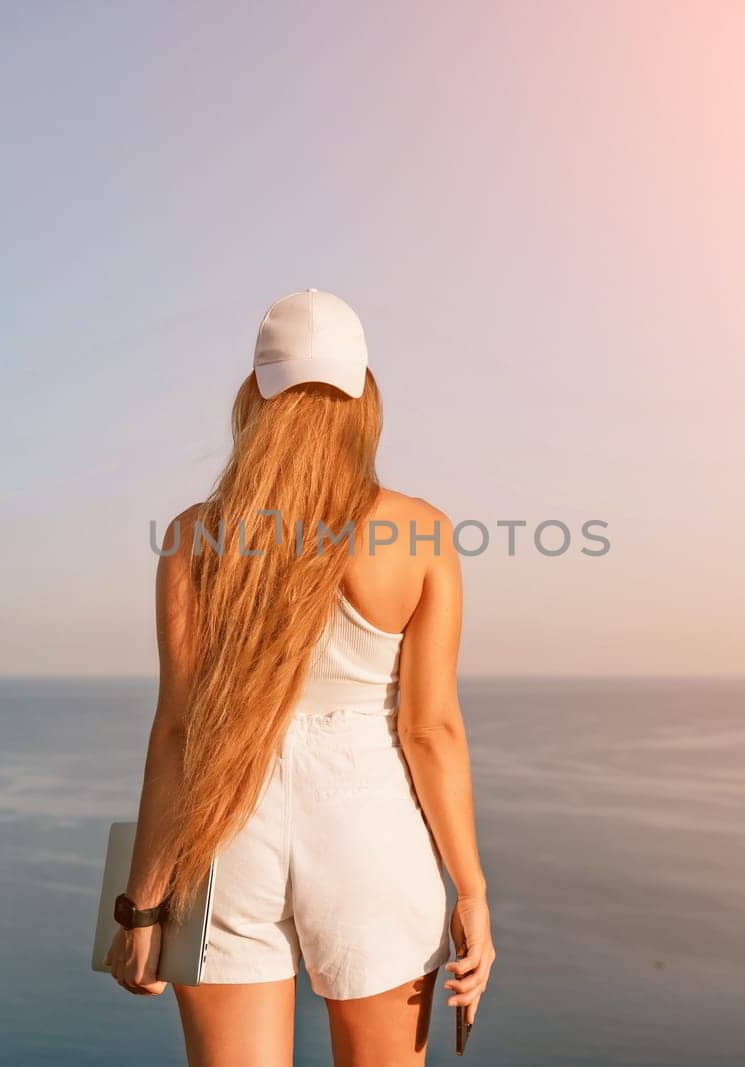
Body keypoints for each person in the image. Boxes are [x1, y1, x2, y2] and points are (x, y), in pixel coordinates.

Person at [105, 289, 496, 1065]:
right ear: (365, 395)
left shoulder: (193, 537)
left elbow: (181, 731)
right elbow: (430, 730)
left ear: (254, 395)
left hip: (225, 825)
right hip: (368, 822)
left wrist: (140, 906)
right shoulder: (420, 530)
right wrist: (472, 890)